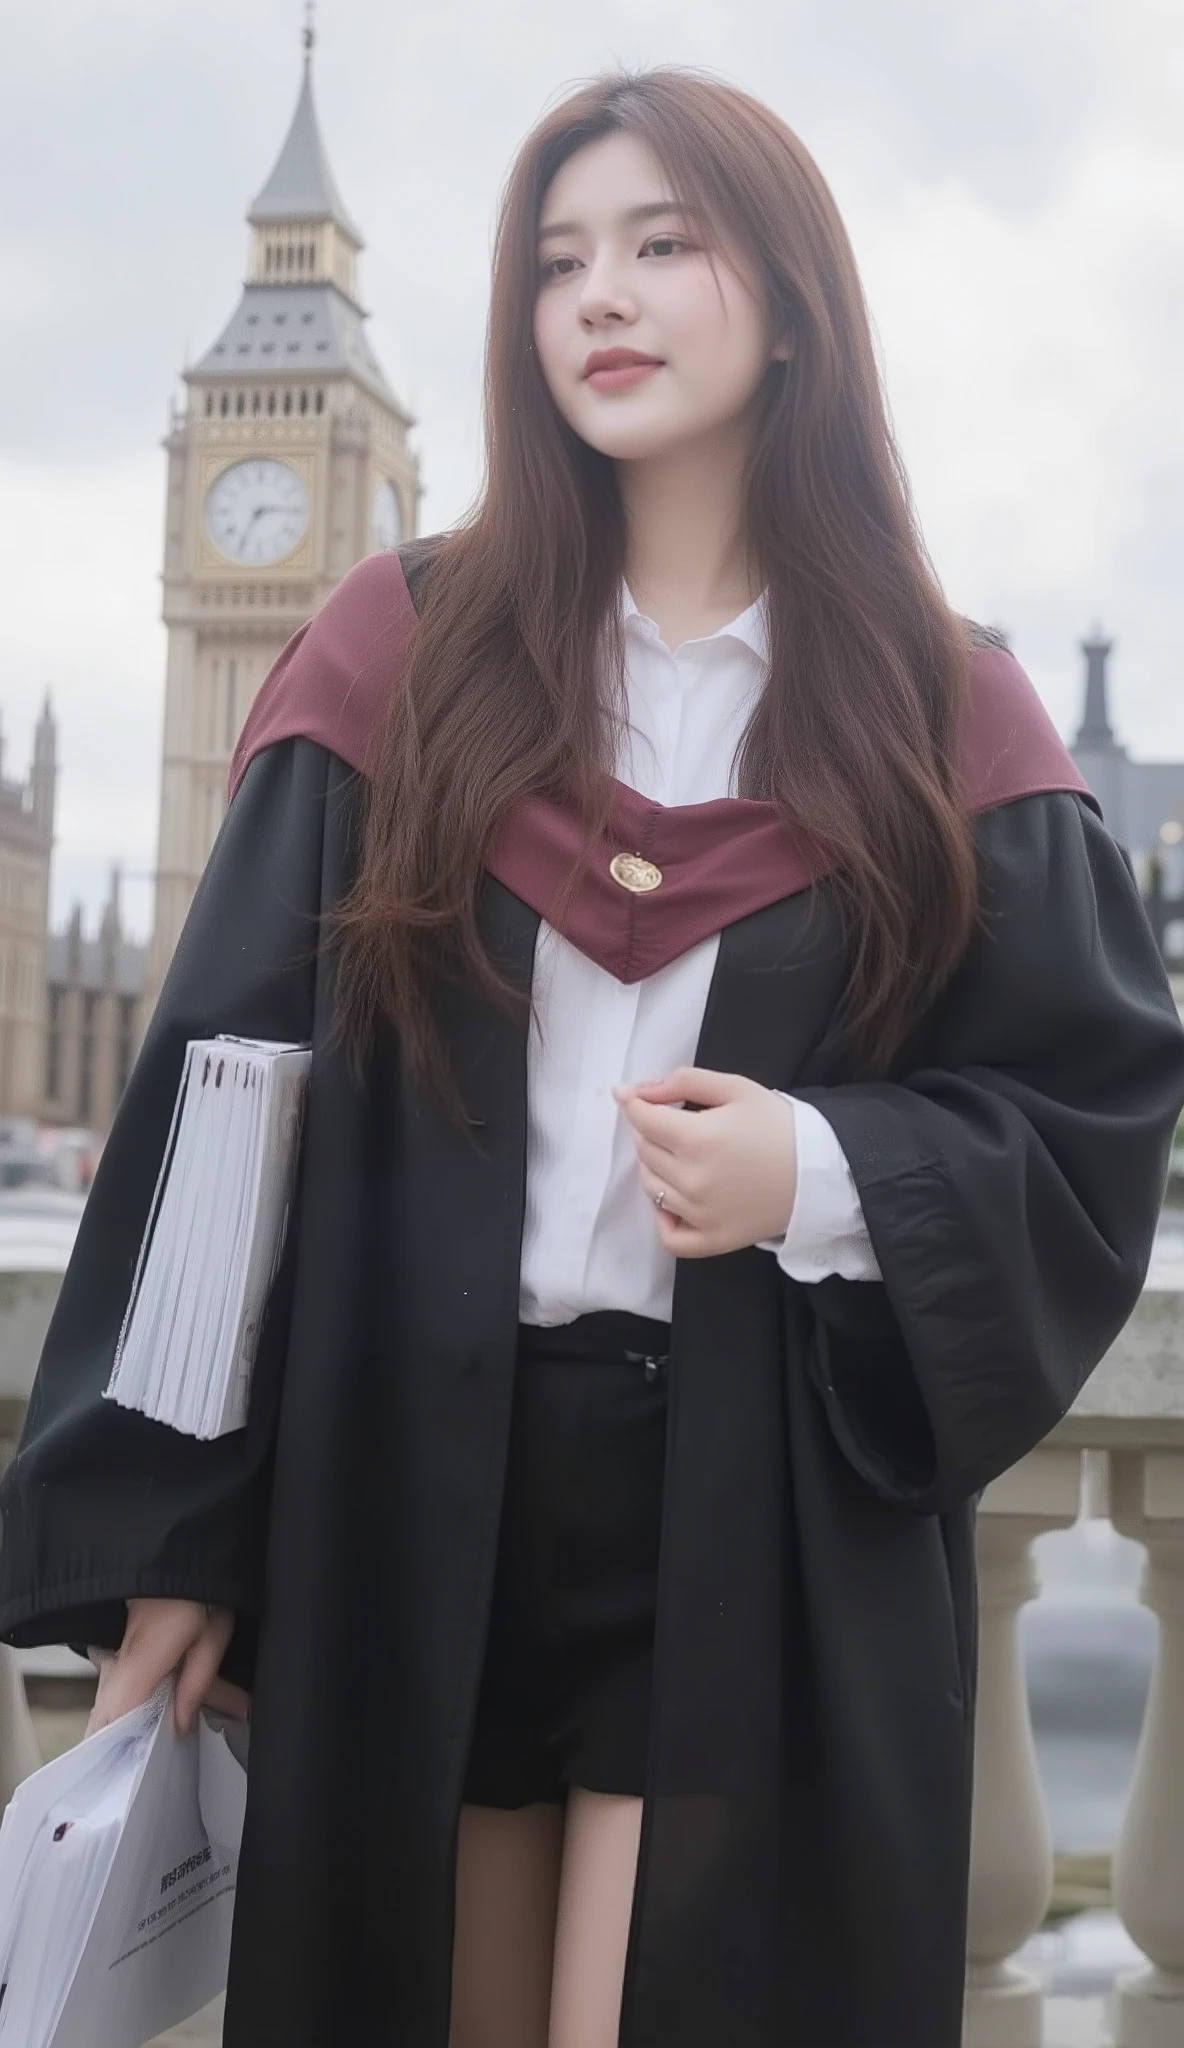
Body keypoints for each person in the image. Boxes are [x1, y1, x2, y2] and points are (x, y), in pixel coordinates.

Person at [1, 67, 1181, 2048]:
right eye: (557, 263)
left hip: (757, 1512)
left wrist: (815, 1170)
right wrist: (173, 1539)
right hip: (416, 1477)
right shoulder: (404, 657)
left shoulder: (930, 708)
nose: (598, 300)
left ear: (790, 300)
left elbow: (1079, 1117)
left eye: (661, 245)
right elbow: (227, 1114)